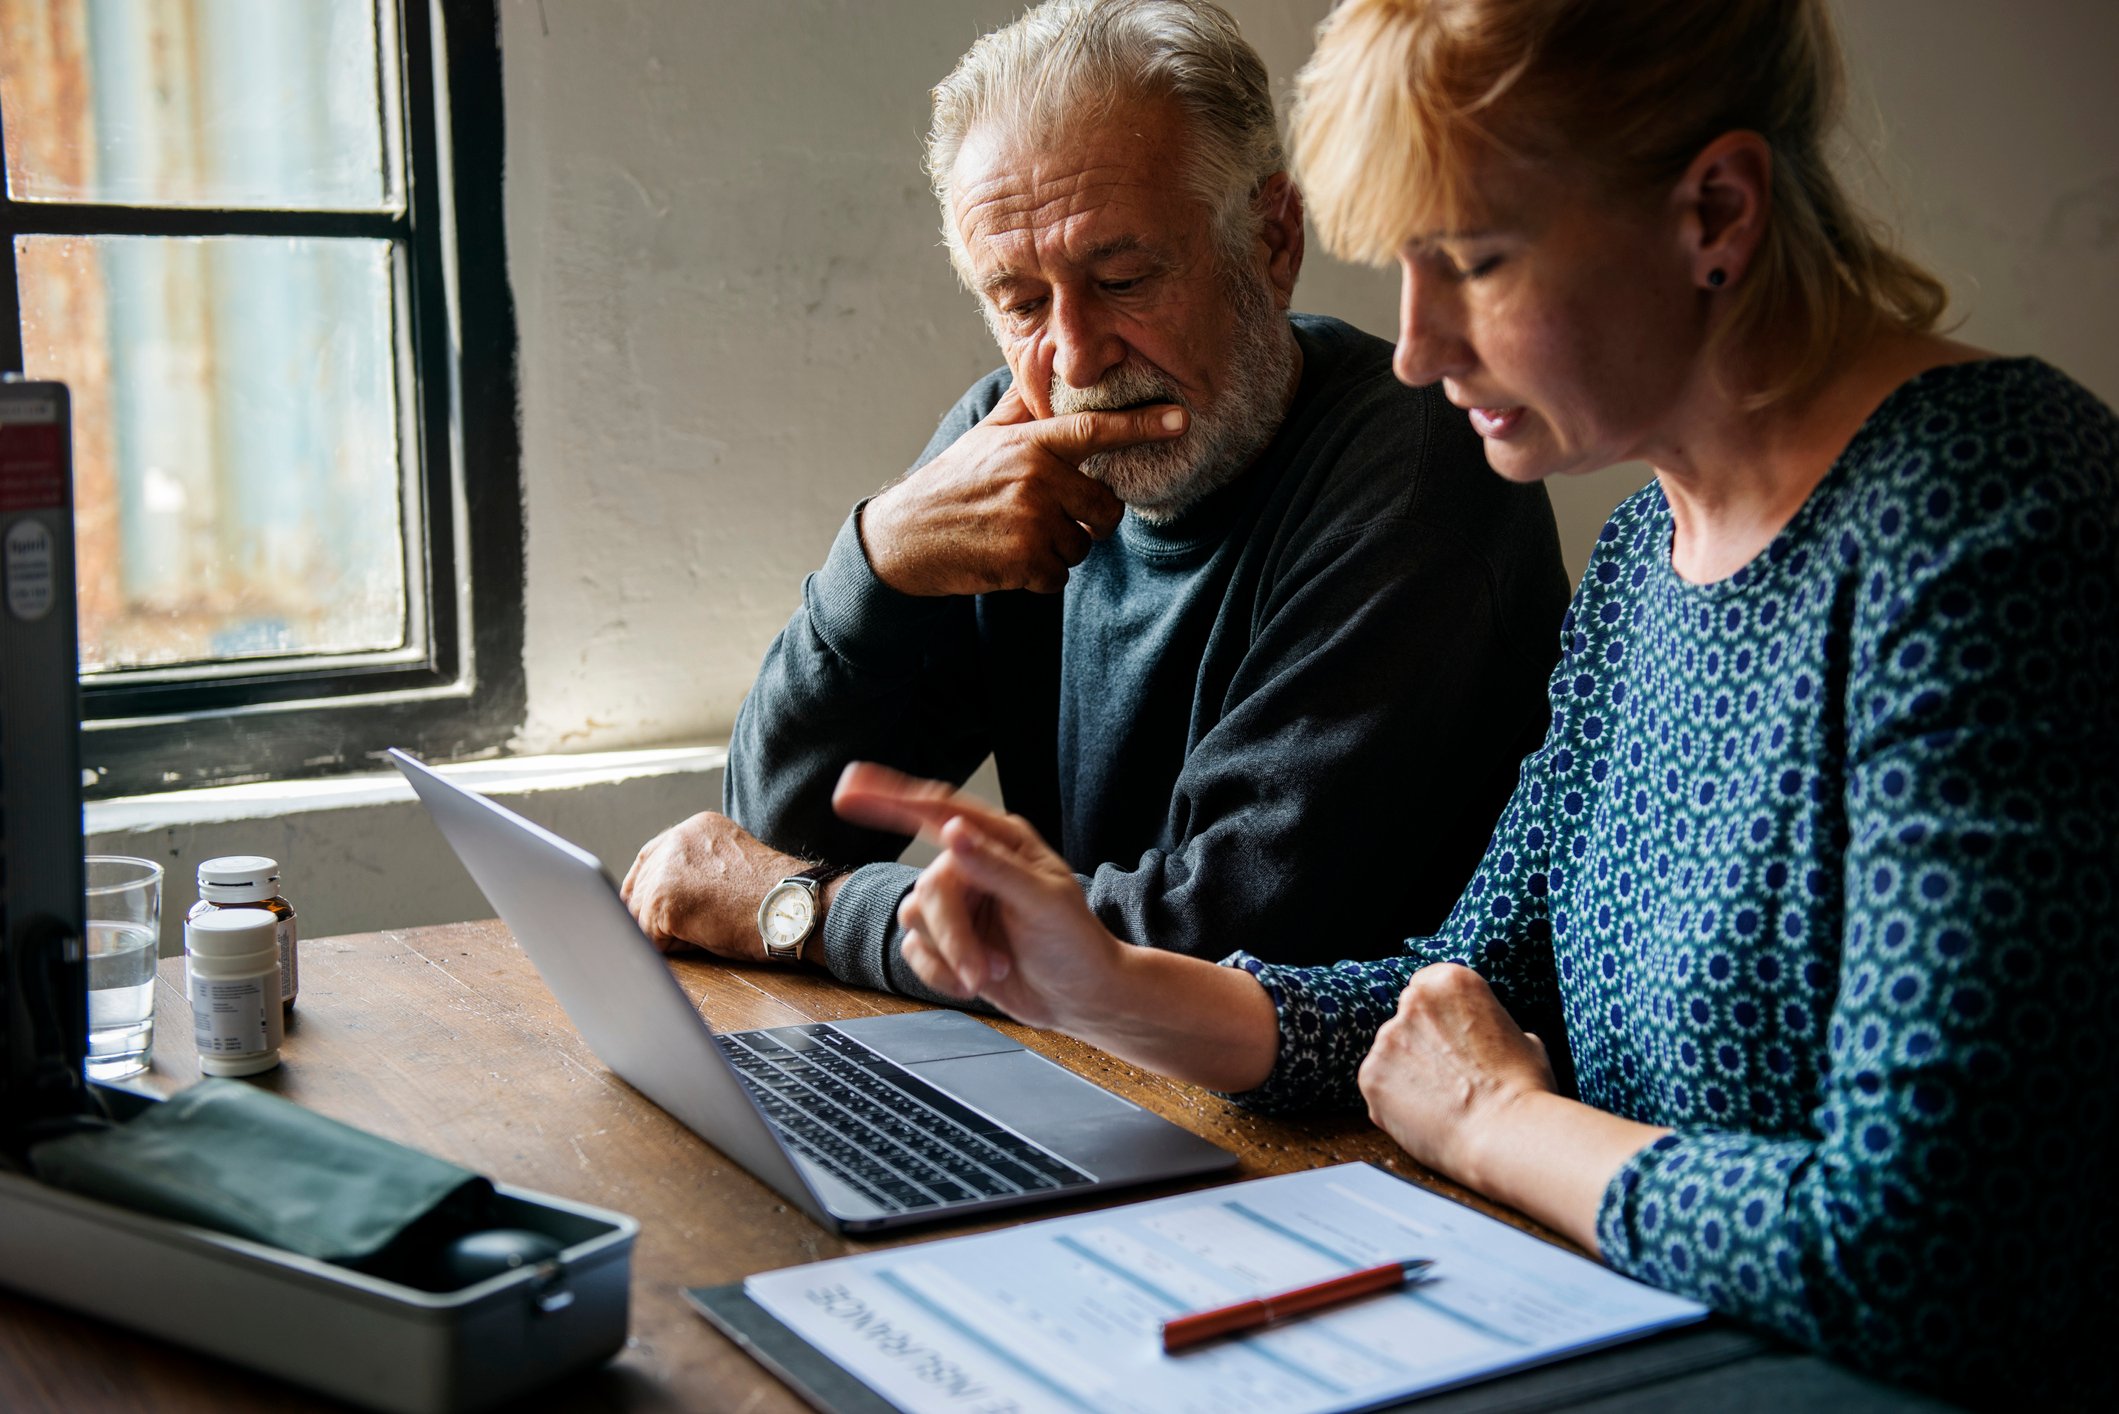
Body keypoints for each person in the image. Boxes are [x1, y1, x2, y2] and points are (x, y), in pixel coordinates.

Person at [830, 0, 2119, 1405]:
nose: (1413, 348)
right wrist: (1102, 981)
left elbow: (1930, 1252)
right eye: (1400, 268)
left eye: (1476, 262)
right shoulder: (1646, 550)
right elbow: (1468, 983)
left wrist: (1503, 1125)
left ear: (1715, 212)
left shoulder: (1989, 522)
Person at [621, 0, 1568, 1000]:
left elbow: (1213, 944)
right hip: (1100, 1075)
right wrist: (877, 556)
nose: (1074, 355)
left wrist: (807, 914)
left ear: (1273, 240)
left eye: (1121, 278)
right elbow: (776, 829)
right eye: (1020, 303)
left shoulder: (1417, 474)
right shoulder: (1011, 443)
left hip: (1343, 1126)